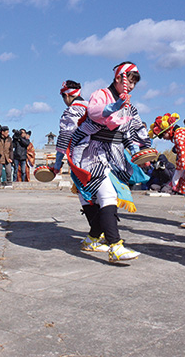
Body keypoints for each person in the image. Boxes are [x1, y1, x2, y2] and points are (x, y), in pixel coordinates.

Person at [68, 62, 152, 263]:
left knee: (106, 200)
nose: (131, 87)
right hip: (92, 151)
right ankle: (115, 246)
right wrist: (113, 108)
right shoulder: (101, 94)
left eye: (134, 84)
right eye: (129, 81)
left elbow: (136, 130)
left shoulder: (130, 107)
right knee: (108, 195)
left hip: (113, 155)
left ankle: (92, 239)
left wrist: (142, 151)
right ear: (119, 78)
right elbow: (95, 112)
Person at [52, 80, 88, 175]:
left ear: (67, 96)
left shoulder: (71, 111)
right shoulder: (91, 107)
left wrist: (57, 164)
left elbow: (65, 137)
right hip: (98, 153)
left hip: (79, 156)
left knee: (82, 185)